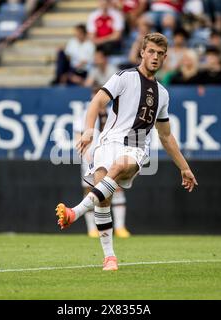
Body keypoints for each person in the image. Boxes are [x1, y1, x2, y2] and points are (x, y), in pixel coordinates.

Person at [55, 32, 198, 271]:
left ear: (165, 57)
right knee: (103, 198)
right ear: (142, 52)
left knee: (120, 167)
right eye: (151, 51)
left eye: (160, 54)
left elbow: (165, 135)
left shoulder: (162, 94)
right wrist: (89, 131)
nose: (155, 57)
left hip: (136, 146)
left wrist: (185, 167)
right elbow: (96, 103)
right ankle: (109, 257)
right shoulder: (123, 77)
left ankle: (75, 212)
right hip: (108, 142)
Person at [73, 86, 131, 238]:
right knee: (89, 189)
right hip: (90, 156)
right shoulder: (85, 113)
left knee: (115, 187)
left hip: (111, 153)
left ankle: (120, 227)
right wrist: (85, 153)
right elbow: (78, 135)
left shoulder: (115, 111)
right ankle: (92, 228)